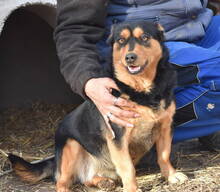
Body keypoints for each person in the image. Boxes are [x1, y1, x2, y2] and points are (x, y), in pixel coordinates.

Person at [54, 0, 220, 150]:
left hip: (200, 28)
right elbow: (74, 29)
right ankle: (134, 141)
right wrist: (88, 80)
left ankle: (209, 120)